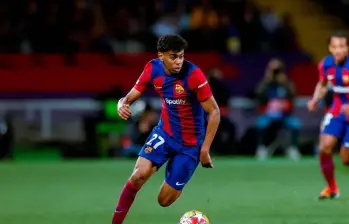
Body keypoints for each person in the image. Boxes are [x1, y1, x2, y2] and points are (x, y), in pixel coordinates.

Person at [112, 34, 220, 223]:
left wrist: (205, 149)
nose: (178, 61)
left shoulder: (194, 75)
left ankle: (178, 172)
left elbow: (214, 112)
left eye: (181, 56)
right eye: (173, 57)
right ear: (161, 56)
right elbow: (129, 97)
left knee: (164, 200)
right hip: (165, 134)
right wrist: (122, 103)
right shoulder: (152, 68)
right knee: (138, 176)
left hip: (190, 145)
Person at [307, 31, 349, 200]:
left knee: (346, 159)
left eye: (342, 46)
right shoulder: (326, 64)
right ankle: (332, 188)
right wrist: (315, 99)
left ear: (347, 48)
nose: (337, 50)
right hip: (337, 110)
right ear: (330, 48)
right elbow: (323, 84)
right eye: (334, 46)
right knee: (324, 147)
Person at [255, 58, 301, 160]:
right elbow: (258, 95)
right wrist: (267, 80)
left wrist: (284, 82)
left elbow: (293, 96)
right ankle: (262, 148)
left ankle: (292, 148)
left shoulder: (287, 83)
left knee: (295, 124)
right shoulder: (265, 84)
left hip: (285, 115)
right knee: (261, 124)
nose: (276, 73)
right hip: (269, 114)